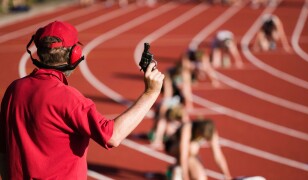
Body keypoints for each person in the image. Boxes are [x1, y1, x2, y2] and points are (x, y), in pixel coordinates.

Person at [0, 21, 164, 179]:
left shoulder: (14, 89)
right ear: (74, 55)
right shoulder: (69, 99)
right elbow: (113, 136)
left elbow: (3, 152)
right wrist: (150, 93)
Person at [165, 119, 232, 180]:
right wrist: (185, 176)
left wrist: (227, 175)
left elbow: (218, 155)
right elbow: (183, 154)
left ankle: (175, 169)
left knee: (201, 178)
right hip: (173, 146)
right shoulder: (188, 128)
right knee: (192, 147)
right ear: (199, 130)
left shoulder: (211, 132)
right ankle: (176, 169)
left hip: (190, 154)